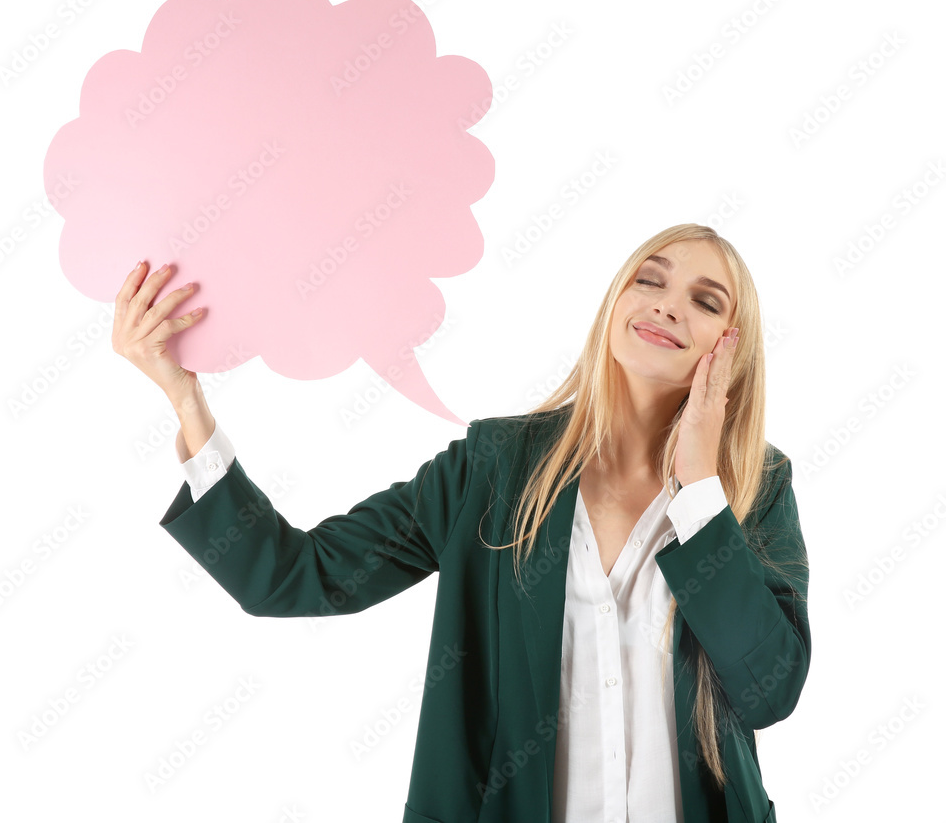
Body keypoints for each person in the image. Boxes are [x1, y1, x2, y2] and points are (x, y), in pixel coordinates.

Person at [113, 222, 810, 823]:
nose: (667, 306)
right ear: (614, 304)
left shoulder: (753, 489)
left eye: (705, 301)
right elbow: (294, 577)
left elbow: (769, 689)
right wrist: (186, 401)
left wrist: (700, 493)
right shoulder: (494, 467)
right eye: (648, 281)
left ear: (731, 344)